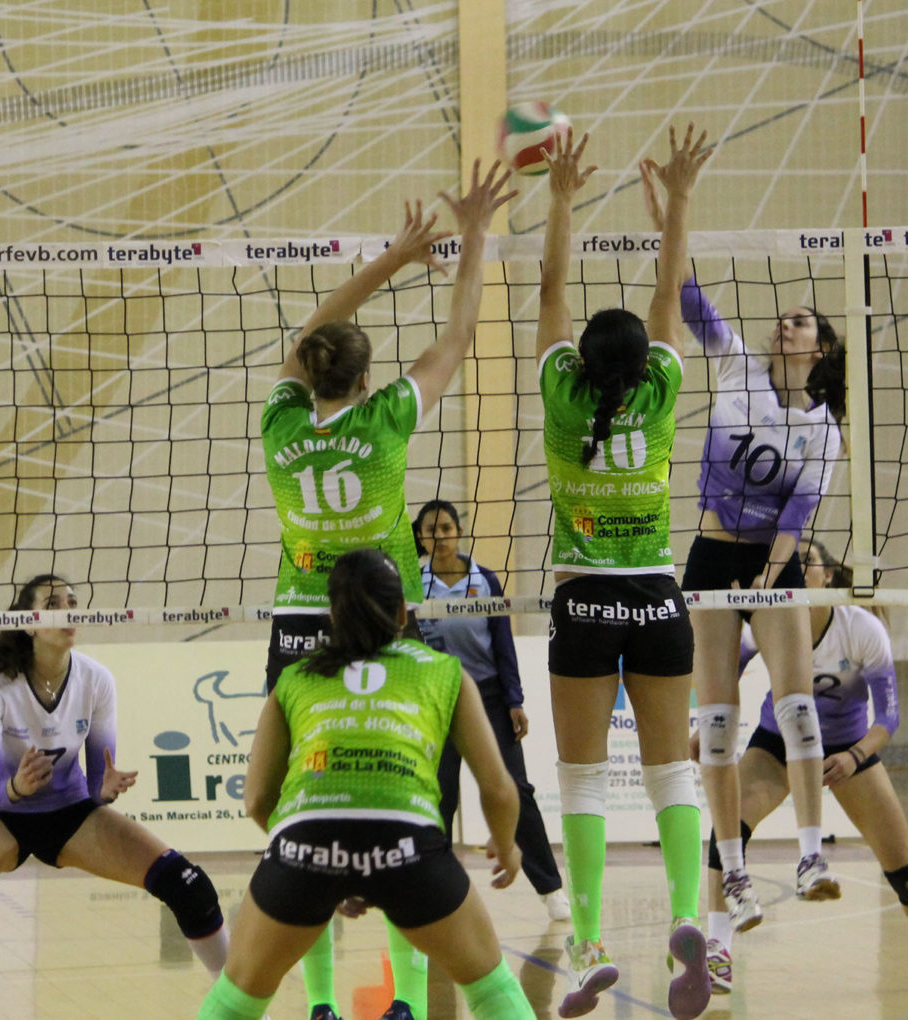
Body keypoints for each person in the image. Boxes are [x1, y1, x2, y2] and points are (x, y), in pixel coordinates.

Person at [260, 159, 515, 1020]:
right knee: (416, 804)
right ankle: (406, 1000)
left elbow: (313, 334)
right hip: (386, 622)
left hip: (302, 620)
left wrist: (391, 257)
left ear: (310, 374)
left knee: (302, 818)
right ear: (365, 383)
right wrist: (468, 236)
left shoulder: (279, 420)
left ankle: (324, 1005)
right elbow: (459, 333)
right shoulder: (389, 418)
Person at [198, 548, 535, 1020]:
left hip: (305, 842)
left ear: (332, 616)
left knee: (236, 998)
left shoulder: (293, 680)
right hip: (407, 844)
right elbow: (499, 788)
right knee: (490, 986)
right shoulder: (445, 673)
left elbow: (256, 798)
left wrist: (323, 860)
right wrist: (506, 846)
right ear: (403, 613)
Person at [535, 126, 712, 1020]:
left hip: (582, 600)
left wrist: (561, 197)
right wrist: (675, 199)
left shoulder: (562, 399)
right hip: (655, 598)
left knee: (579, 778)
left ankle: (592, 938)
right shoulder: (665, 386)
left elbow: (549, 289)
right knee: (670, 775)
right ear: (644, 367)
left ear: (579, 367)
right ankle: (691, 919)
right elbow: (667, 287)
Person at [642, 168, 848, 928]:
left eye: (799, 323)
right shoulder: (734, 366)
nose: (782, 327)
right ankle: (732, 873)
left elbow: (794, 515)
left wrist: (768, 581)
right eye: (783, 320)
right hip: (710, 556)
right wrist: (671, 216)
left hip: (773, 559)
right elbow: (686, 295)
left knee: (797, 707)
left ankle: (808, 852)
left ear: (820, 349)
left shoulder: (823, 430)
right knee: (719, 724)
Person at [0, 574, 228, 1020]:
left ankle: (243, 1006)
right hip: (1, 815)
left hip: (71, 815)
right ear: (29, 622)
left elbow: (99, 782)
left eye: (72, 602)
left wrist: (104, 789)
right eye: (53, 603)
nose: (68, 610)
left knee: (188, 885)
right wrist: (16, 787)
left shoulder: (97, 680)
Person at [698, 537, 908, 992]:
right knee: (727, 832)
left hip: (847, 750)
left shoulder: (861, 628)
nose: (800, 570)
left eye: (809, 563)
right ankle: (718, 950)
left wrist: (855, 755)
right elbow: (723, 672)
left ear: (827, 576)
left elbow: (889, 717)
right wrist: (704, 727)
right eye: (794, 563)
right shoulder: (767, 624)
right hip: (778, 747)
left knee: (905, 870)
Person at [412, 498, 570, 922]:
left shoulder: (484, 580)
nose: (439, 536)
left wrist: (515, 699)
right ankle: (434, 891)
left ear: (458, 532)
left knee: (516, 791)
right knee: (438, 795)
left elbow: (503, 642)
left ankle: (551, 889)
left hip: (489, 698)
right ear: (421, 536)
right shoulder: (413, 583)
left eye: (446, 527)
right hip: (436, 700)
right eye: (431, 530)